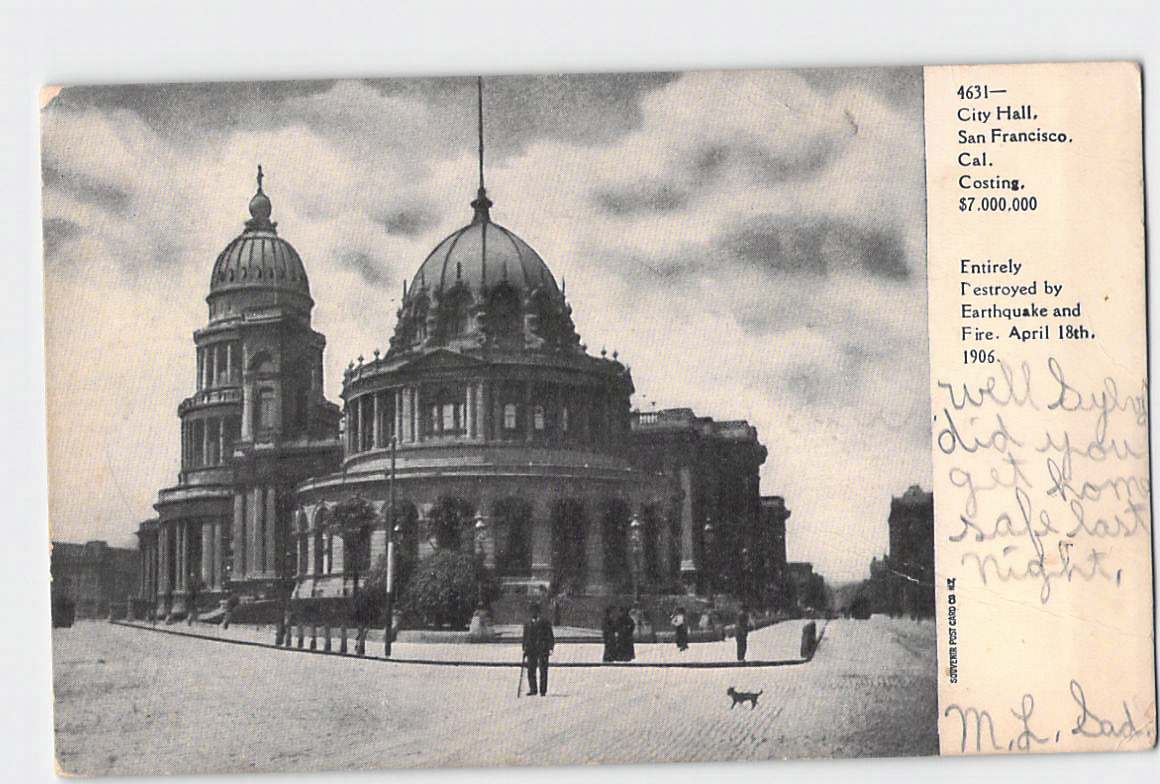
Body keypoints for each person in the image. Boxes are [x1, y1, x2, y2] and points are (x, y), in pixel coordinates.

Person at [522, 602, 555, 696]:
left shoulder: (545, 622)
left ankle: (543, 690)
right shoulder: (528, 623)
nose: (533, 613)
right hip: (531, 649)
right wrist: (524, 647)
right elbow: (525, 636)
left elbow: (550, 635)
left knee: (543, 670)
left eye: (535, 611)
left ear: (538, 611)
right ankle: (533, 689)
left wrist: (550, 647)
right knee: (531, 670)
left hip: (542, 648)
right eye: (531, 611)